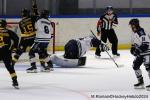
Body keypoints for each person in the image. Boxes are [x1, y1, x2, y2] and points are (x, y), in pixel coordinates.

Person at [12, 3, 47, 72]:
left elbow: (22, 33)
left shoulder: (20, 22)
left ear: (22, 14)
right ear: (28, 13)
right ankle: (42, 66)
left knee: (18, 52)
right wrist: (35, 8)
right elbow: (37, 16)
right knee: (39, 51)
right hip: (33, 38)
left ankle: (11, 65)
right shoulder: (32, 17)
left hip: (24, 39)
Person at [129, 18, 150, 91]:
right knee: (135, 65)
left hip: (147, 51)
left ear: (135, 25)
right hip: (141, 52)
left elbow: (146, 44)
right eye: (131, 25)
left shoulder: (141, 32)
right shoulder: (133, 33)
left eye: (132, 25)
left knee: (148, 66)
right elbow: (134, 43)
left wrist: (137, 50)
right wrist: (132, 48)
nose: (131, 26)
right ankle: (141, 82)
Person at [0, 19, 19, 89]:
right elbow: (16, 38)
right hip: (6, 51)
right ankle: (15, 81)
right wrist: (14, 48)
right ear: (5, 25)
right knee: (9, 67)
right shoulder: (8, 31)